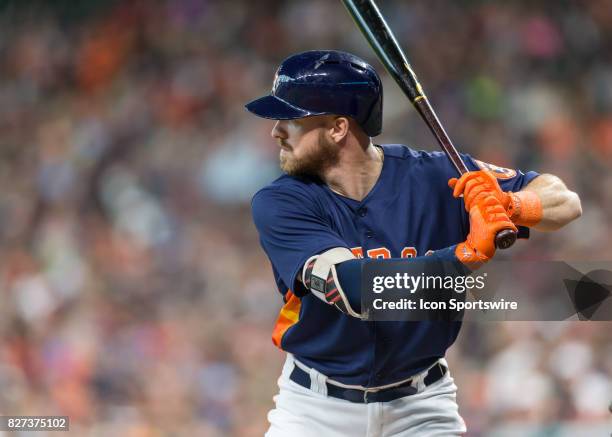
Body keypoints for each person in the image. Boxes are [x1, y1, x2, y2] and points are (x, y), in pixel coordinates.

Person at [246, 50, 581, 437]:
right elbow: (354, 290)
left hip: (421, 406)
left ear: (339, 128)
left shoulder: (439, 176)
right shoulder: (281, 201)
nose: (276, 131)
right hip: (315, 410)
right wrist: (464, 256)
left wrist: (510, 204)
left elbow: (565, 201)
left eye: (291, 118)